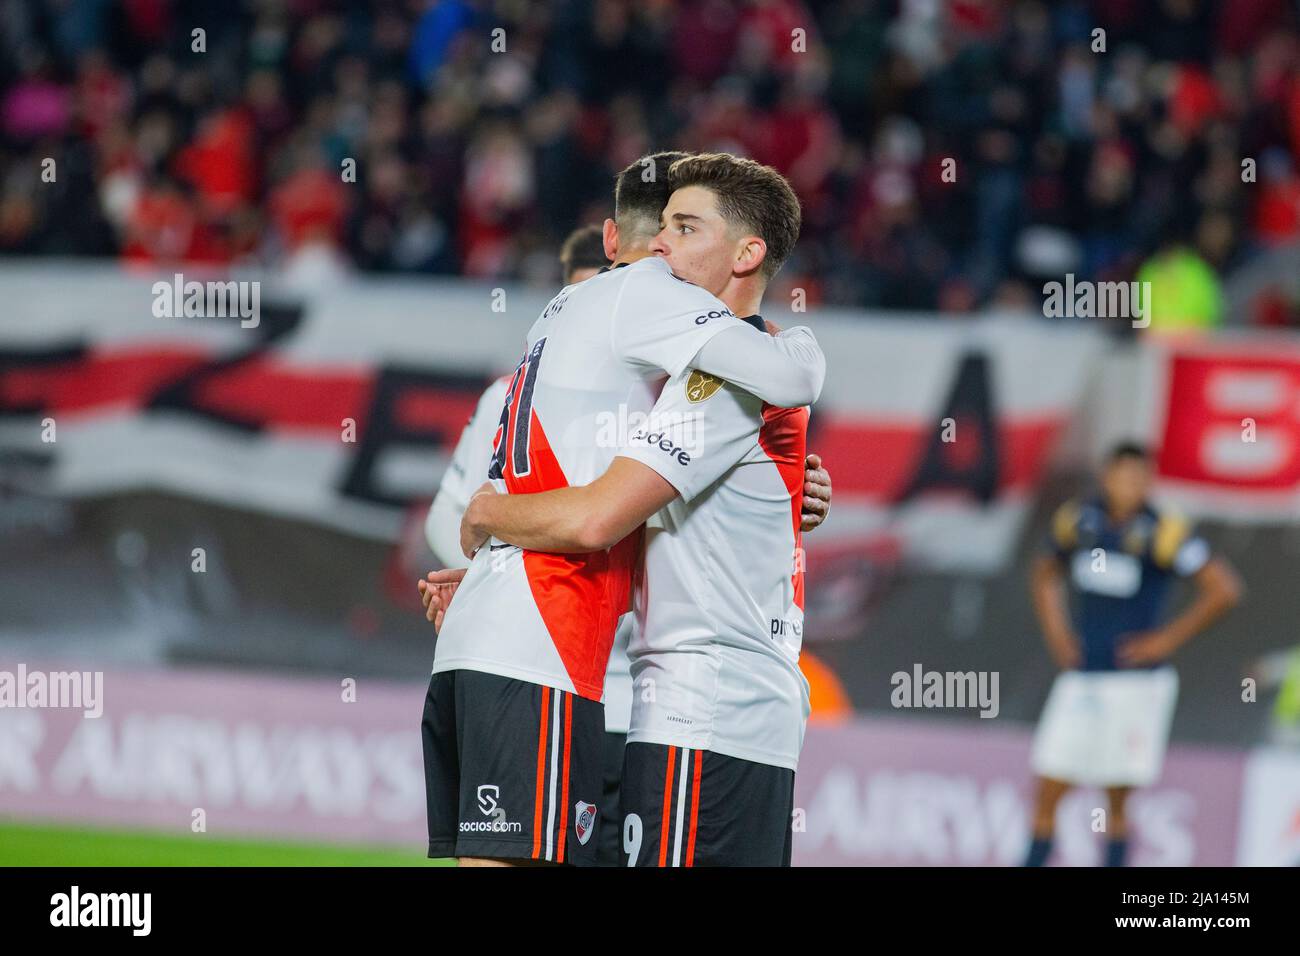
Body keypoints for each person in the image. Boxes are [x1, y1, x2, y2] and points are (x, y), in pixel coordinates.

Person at [418, 151, 826, 866]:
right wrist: (495, 548)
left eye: (686, 227)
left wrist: (491, 527)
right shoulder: (705, 372)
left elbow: (607, 513)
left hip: (710, 705)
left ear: (747, 251)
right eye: (662, 224)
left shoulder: (712, 378)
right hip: (692, 702)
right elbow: (615, 517)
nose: (661, 246)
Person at [1023, 443, 1242, 867]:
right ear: (1106, 477)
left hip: (1136, 683)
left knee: (1115, 799)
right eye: (1122, 475)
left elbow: (1224, 589)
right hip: (1084, 677)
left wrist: (1166, 639)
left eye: (1138, 477)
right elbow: (1045, 571)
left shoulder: (1163, 530)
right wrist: (1057, 631)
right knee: (1050, 784)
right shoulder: (1080, 520)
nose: (1129, 485)